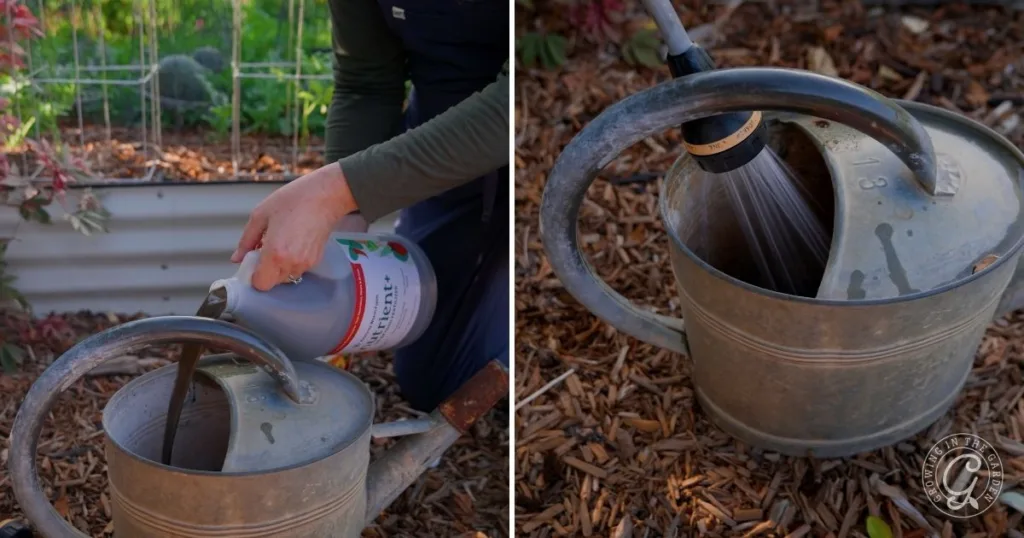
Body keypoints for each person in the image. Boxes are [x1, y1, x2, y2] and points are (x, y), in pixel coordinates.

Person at [230, 0, 509, 412]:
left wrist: (335, 192)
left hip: (525, 147)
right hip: (434, 152)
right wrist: (344, 227)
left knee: (487, 368)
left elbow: (512, 104)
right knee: (433, 381)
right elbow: (366, 81)